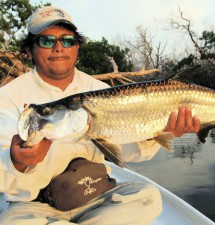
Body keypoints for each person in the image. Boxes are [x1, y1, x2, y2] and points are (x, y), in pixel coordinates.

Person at [0, 6, 200, 225]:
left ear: (77, 47)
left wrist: (159, 131)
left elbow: (128, 151)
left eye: (67, 40)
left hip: (94, 196)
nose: (58, 48)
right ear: (29, 50)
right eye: (46, 41)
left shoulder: (98, 89)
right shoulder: (7, 97)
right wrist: (16, 162)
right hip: (33, 206)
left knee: (147, 197)